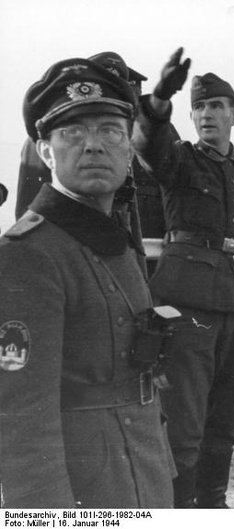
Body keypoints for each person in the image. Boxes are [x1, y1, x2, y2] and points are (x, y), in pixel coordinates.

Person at [0, 58, 175, 508]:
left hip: (143, 467)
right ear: (44, 152)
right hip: (85, 490)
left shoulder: (114, 234)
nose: (94, 146)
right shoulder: (27, 254)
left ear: (127, 147)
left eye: (111, 131)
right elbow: (21, 418)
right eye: (72, 133)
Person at [132, 48, 234, 508]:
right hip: (189, 308)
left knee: (228, 419)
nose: (206, 114)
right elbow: (146, 143)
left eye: (216, 106)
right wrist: (160, 98)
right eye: (199, 107)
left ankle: (213, 503)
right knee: (184, 424)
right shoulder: (179, 162)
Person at [14, 51, 165, 278]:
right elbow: (29, 200)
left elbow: (131, 210)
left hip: (116, 245)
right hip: (63, 243)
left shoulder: (122, 140)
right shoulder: (46, 142)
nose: (93, 145)